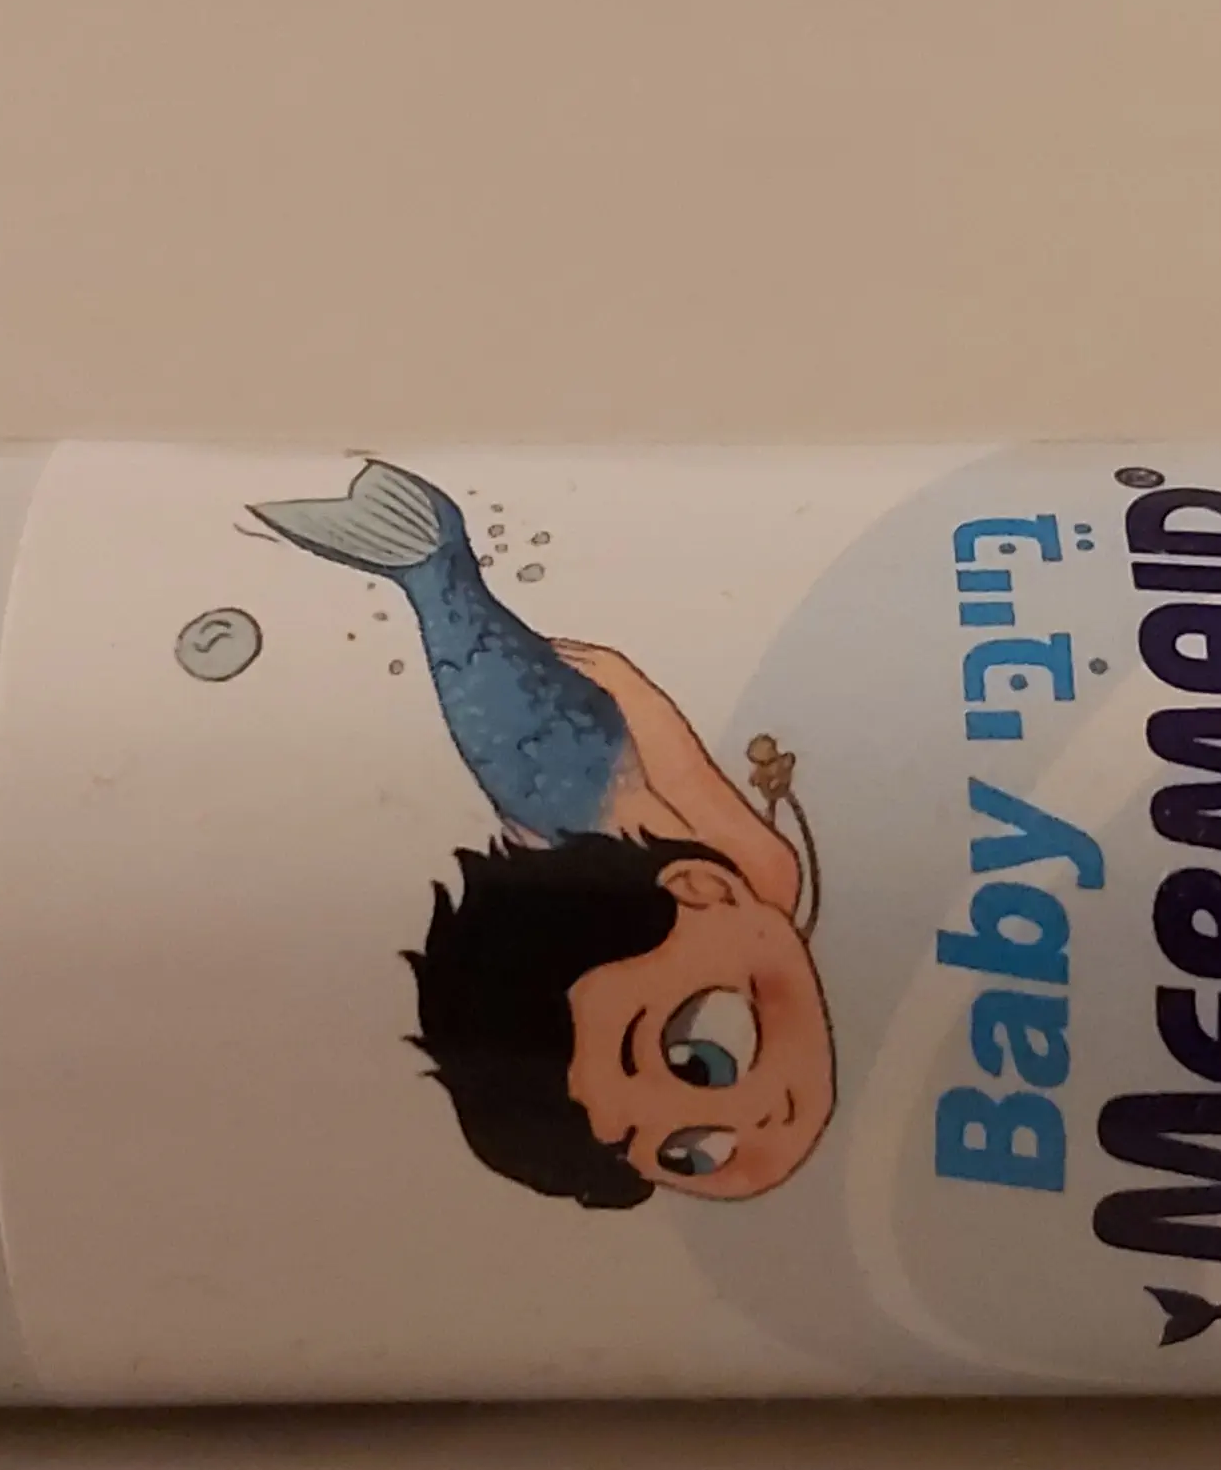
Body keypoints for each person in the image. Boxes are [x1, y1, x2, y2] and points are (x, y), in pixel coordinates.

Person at [252, 460, 835, 1208]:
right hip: (582, 786)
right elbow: (684, 777)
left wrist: (629, 692)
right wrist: (630, 693)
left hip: (576, 783)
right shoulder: (762, 880)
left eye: (699, 1066)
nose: (760, 1117)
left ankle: (429, 565)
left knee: (515, 723)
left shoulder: (748, 880)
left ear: (699, 889)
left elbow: (679, 771)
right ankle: (430, 568)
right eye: (699, 1070)